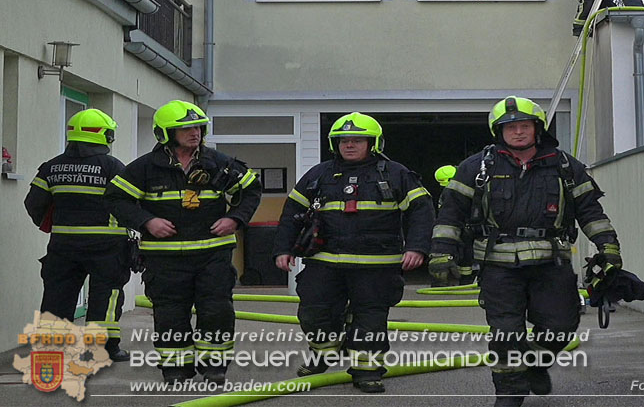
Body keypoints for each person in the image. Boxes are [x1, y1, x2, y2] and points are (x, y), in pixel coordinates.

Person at [429, 96, 622, 407]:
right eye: (510, 127)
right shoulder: (477, 167)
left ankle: (536, 362)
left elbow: (590, 211)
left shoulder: (565, 166)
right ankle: (509, 394)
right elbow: (450, 214)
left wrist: (608, 248)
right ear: (498, 132)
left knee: (561, 326)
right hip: (498, 265)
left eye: (524, 126)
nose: (517, 132)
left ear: (537, 129)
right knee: (506, 333)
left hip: (551, 263)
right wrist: (441, 254)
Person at [273, 112, 434, 394]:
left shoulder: (396, 174)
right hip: (324, 262)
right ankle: (324, 352)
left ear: (373, 143)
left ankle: (367, 371)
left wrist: (417, 247)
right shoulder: (318, 175)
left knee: (370, 319)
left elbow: (422, 212)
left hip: (377, 265)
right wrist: (283, 249)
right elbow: (291, 213)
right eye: (344, 140)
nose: (349, 144)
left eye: (357, 140)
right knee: (313, 312)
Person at [104, 100, 260, 384]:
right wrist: (147, 221)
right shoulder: (144, 168)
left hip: (213, 255)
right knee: (170, 314)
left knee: (217, 310)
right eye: (186, 128)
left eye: (198, 127)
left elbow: (251, 190)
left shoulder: (219, 163)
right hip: (164, 258)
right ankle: (176, 368)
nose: (194, 133)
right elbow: (116, 198)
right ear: (166, 133)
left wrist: (235, 219)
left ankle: (215, 366)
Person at [24, 108, 131, 362]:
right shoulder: (112, 167)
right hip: (107, 247)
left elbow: (34, 204)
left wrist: (57, 225)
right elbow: (129, 203)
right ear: (104, 135)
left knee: (57, 296)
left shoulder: (51, 167)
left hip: (63, 246)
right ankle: (102, 349)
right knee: (105, 296)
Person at [431, 165, 475, 286]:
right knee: (465, 255)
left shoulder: (448, 193)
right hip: (461, 229)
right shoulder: (453, 192)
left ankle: (463, 280)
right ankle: (465, 280)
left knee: (464, 255)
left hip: (460, 229)